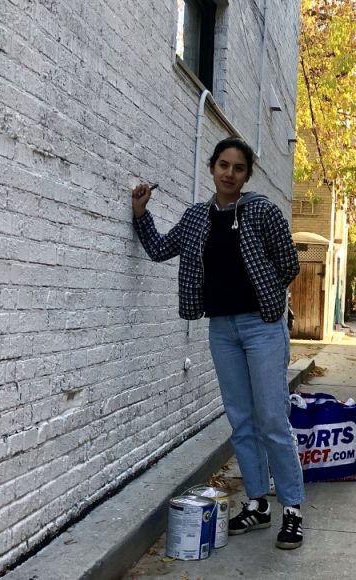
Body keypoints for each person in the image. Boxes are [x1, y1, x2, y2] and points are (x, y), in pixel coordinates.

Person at [130, 137, 305, 550]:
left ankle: (293, 510)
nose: (229, 173)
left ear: (246, 175)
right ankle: (259, 504)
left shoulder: (261, 210)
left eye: (238, 168)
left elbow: (289, 264)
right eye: (223, 165)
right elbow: (158, 249)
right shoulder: (195, 218)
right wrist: (141, 214)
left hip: (262, 327)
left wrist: (265, 295)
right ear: (212, 168)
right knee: (241, 419)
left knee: (272, 419)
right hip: (221, 329)